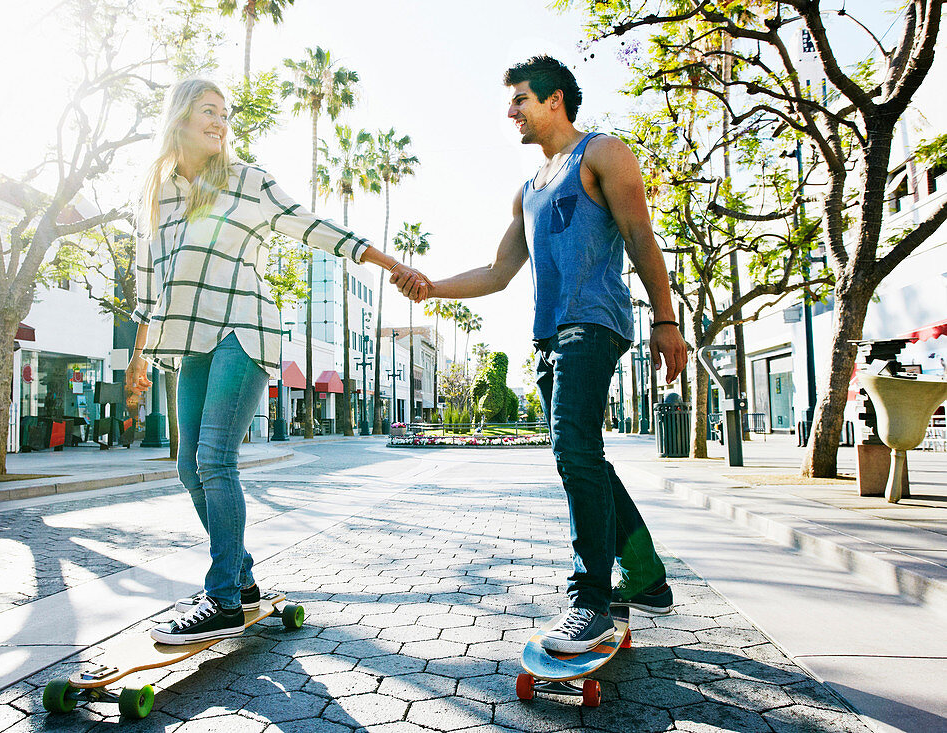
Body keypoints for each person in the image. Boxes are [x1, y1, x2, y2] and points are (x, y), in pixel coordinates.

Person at [393, 56, 688, 653]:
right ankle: (647, 574)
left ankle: (590, 602)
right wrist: (431, 285)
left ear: (555, 101)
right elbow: (500, 273)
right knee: (587, 459)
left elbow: (639, 235)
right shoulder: (527, 190)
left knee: (573, 450)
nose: (511, 112)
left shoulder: (603, 153)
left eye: (521, 99)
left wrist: (665, 319)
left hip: (593, 323)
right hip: (549, 335)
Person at [126, 78, 428, 645]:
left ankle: (220, 599)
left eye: (225, 113)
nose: (219, 121)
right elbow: (148, 283)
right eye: (208, 111)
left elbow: (318, 229)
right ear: (180, 118)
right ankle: (239, 579)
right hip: (187, 340)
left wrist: (393, 266)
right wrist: (138, 357)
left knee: (214, 458)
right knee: (187, 465)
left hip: (244, 332)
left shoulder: (247, 182)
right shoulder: (156, 197)